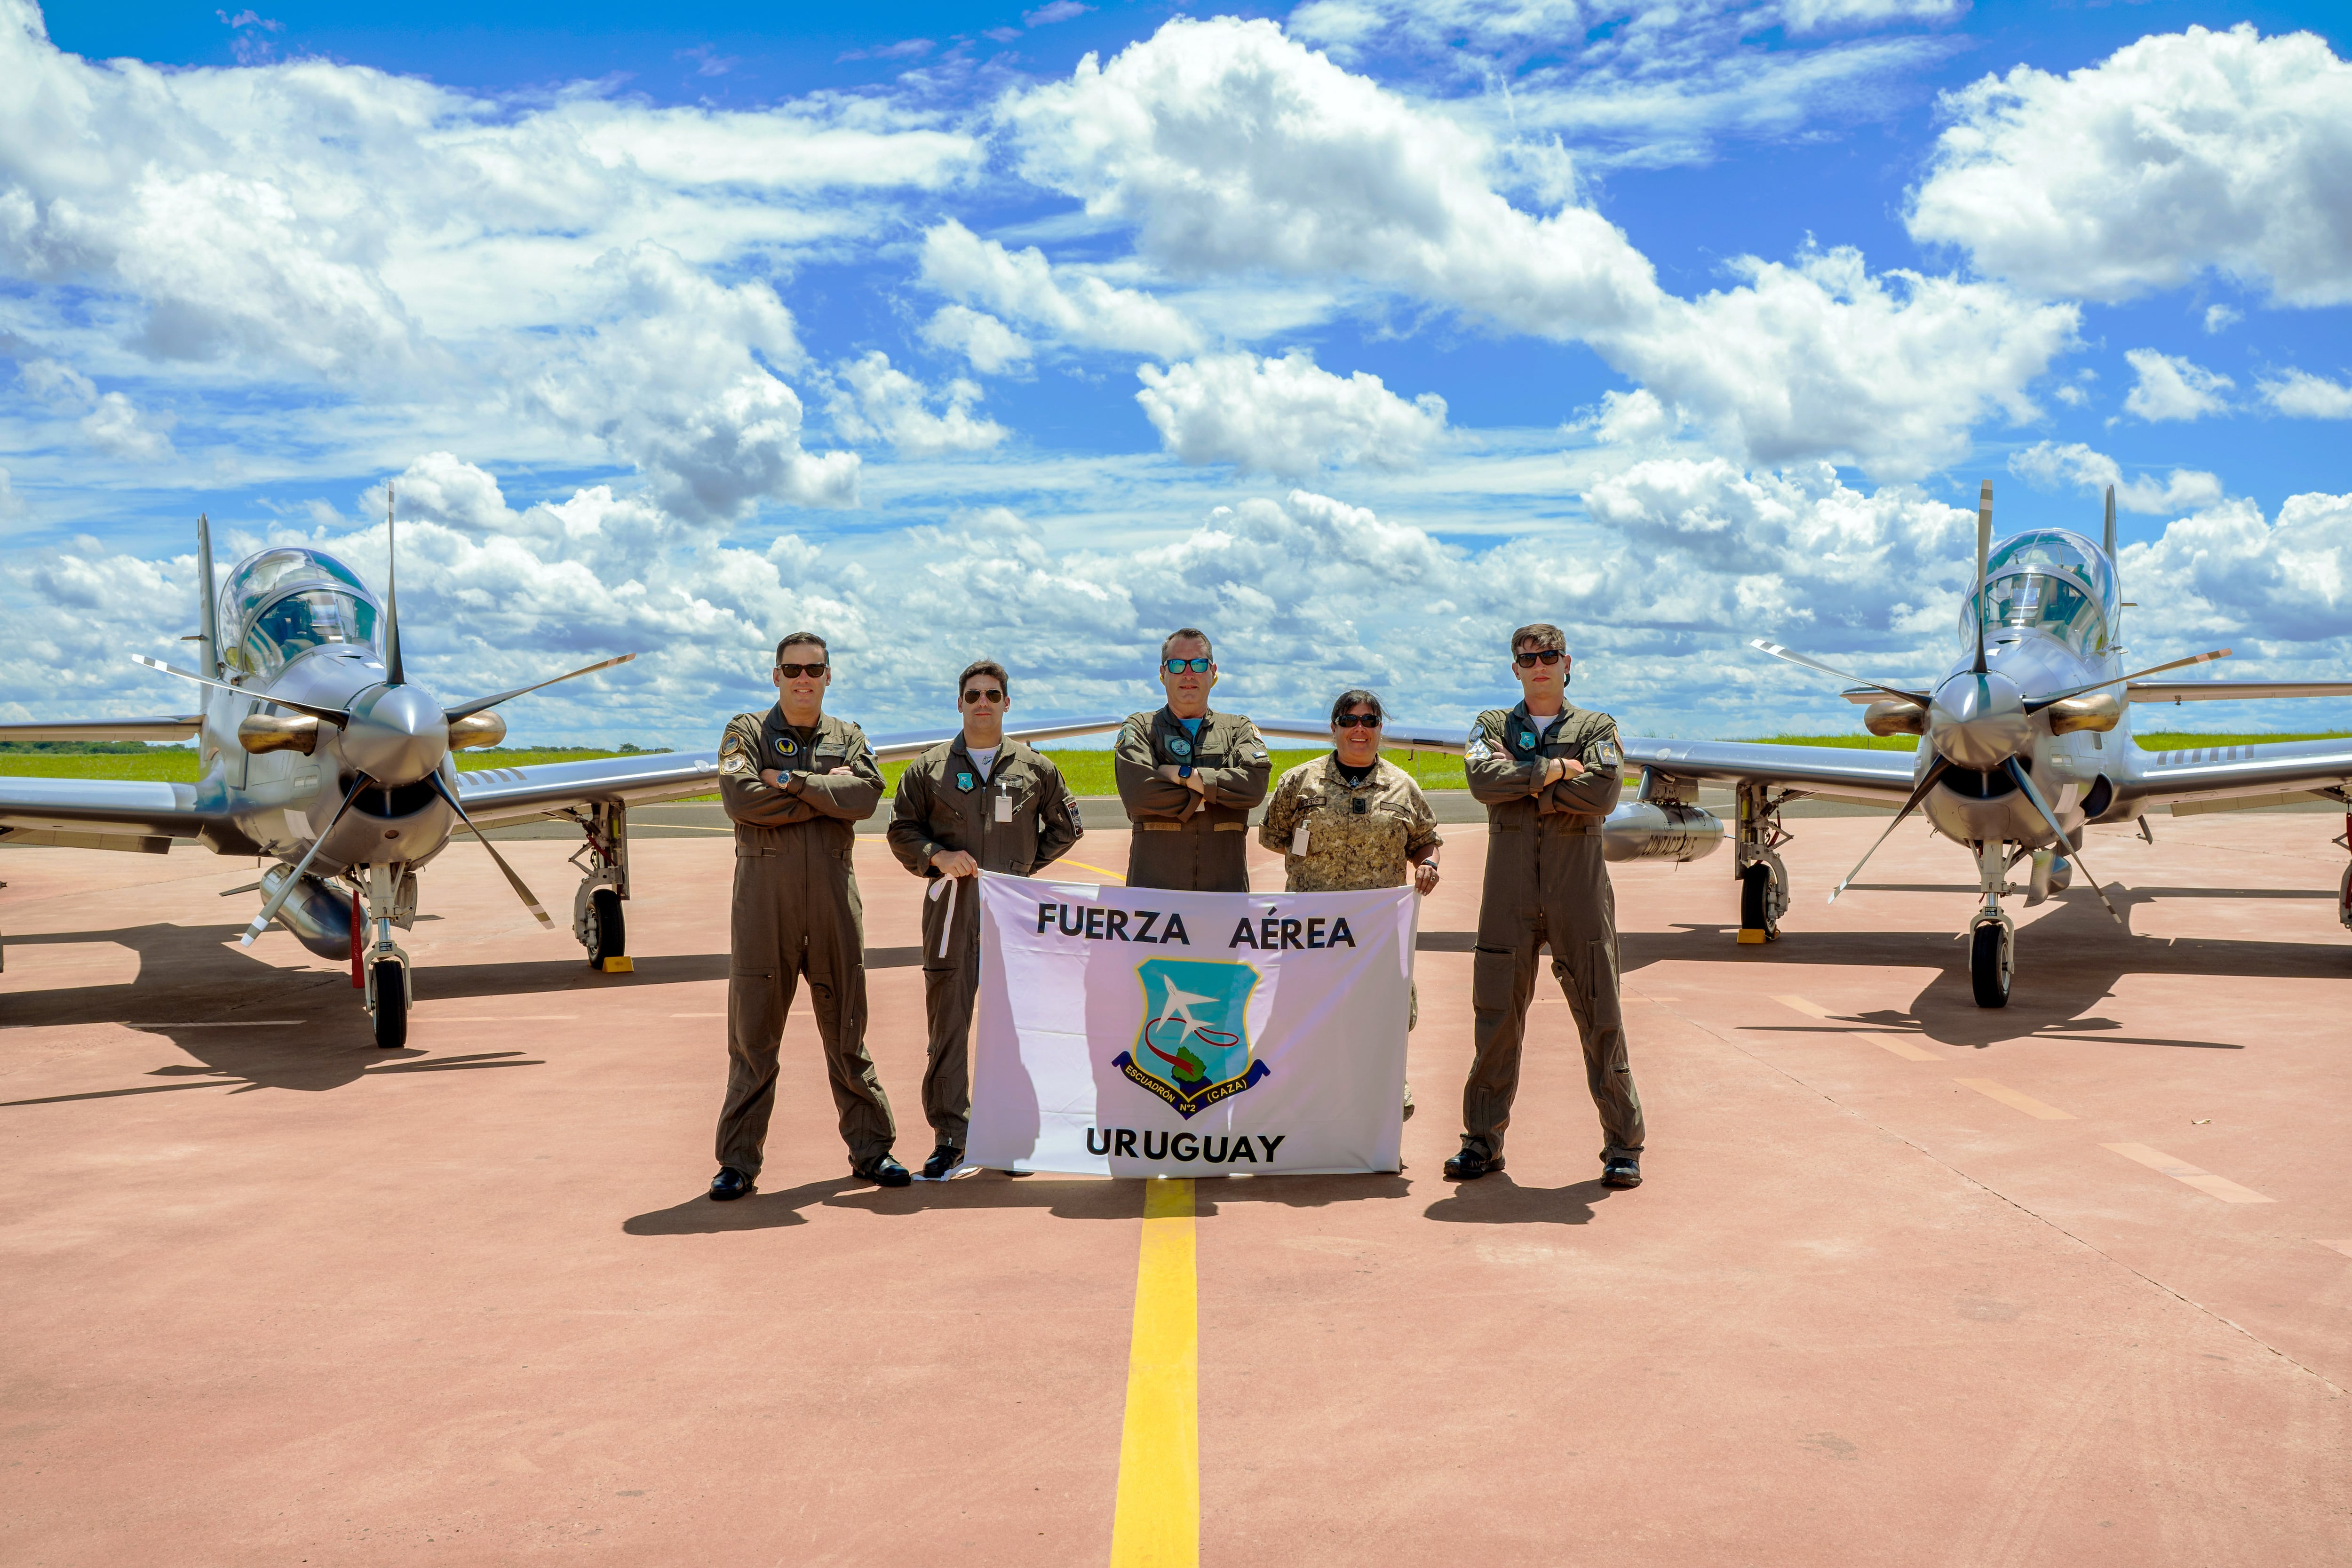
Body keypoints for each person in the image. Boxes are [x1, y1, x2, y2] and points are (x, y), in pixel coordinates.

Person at [709, 632, 906, 1199]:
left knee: (847, 1034)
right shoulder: (746, 731)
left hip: (832, 905)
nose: (803, 679)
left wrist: (790, 781)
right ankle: (737, 1163)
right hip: (763, 908)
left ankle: (872, 1151)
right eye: (792, 669)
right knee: (753, 1039)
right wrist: (825, 796)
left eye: (813, 670)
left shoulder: (849, 736)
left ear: (828, 676)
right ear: (776, 675)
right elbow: (740, 799)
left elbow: (865, 798)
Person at [1450, 622, 1644, 1188]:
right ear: (1515, 668)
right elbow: (1482, 781)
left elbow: (1603, 793)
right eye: (1528, 658)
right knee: (1495, 1019)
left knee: (1601, 1017)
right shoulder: (1493, 725)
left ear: (1566, 664)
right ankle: (1481, 1142)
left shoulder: (1596, 726)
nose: (1539, 665)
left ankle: (1622, 1146)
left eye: (1549, 656)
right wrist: (1557, 771)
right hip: (1507, 894)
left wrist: (1525, 784)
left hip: (1577, 892)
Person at [887, 659, 1084, 1178]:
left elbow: (1066, 827)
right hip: (952, 912)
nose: (982, 703)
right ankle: (951, 1138)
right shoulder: (928, 769)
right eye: (973, 694)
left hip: (1012, 917)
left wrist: (1019, 870)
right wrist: (936, 855)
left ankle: (1012, 1137)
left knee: (1015, 1029)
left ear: (1006, 703)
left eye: (992, 695)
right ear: (959, 703)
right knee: (948, 1027)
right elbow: (901, 830)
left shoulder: (1035, 769)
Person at [1257, 688, 1440, 1116]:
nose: (1360, 729)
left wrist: (1429, 864)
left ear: (1380, 728)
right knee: (1304, 1011)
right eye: (1350, 720)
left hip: (1376, 930)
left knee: (1383, 1012)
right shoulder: (1299, 782)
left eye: (1369, 721)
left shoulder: (1403, 786)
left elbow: (1425, 840)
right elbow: (1274, 836)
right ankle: (1305, 1101)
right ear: (1334, 727)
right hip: (1311, 928)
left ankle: (1386, 1092)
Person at [1112, 628, 1271, 892]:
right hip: (1154, 893)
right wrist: (1215, 794)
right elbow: (1139, 794)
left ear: (1213, 672)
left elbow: (1253, 788)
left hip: (1225, 893)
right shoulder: (1141, 728)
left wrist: (1185, 776)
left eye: (1198, 664)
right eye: (1177, 665)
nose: (1188, 674)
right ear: (1163, 674)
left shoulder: (1237, 729)